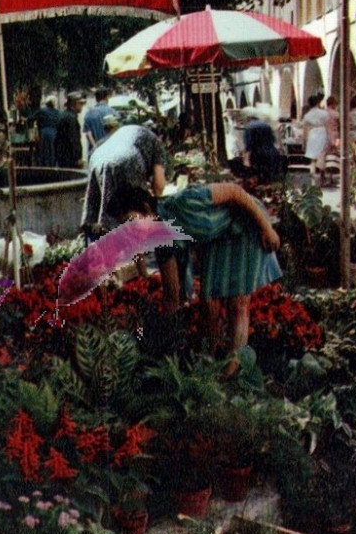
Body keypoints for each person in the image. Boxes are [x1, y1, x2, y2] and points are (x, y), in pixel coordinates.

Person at [154, 157, 282, 366]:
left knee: (237, 303)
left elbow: (234, 191)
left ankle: (232, 367)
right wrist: (162, 342)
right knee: (209, 303)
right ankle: (209, 364)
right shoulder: (159, 242)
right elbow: (171, 296)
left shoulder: (184, 202)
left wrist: (266, 228)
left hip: (246, 223)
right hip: (218, 236)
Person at [81, 123, 169, 236]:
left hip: (97, 158)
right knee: (135, 209)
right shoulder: (157, 142)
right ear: (161, 136)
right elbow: (159, 187)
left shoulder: (128, 131)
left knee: (103, 211)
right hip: (127, 160)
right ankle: (136, 248)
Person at [241, 116, 288, 185]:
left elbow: (248, 145)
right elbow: (273, 140)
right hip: (272, 153)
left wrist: (246, 160)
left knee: (260, 179)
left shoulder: (249, 127)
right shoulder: (267, 125)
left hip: (258, 155)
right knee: (271, 178)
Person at [301, 94, 331, 185]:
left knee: (313, 159)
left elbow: (305, 130)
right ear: (317, 103)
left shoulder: (307, 115)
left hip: (312, 134)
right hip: (322, 132)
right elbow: (328, 125)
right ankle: (322, 179)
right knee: (321, 156)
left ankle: (313, 181)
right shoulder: (324, 113)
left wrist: (304, 142)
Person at [82, 88, 118, 154]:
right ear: (107, 97)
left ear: (96, 99)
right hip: (110, 150)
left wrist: (95, 147)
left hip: (94, 152)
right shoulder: (113, 112)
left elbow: (88, 134)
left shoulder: (89, 113)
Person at [29, 97, 62, 167]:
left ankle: (44, 166)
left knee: (44, 151)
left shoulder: (42, 111)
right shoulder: (58, 112)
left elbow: (31, 118)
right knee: (53, 151)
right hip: (55, 133)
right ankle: (52, 165)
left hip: (44, 133)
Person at [55, 93, 85, 168]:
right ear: (73, 104)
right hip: (70, 159)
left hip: (62, 157)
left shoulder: (64, 115)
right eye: (80, 103)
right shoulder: (71, 119)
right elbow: (74, 140)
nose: (82, 106)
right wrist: (77, 158)